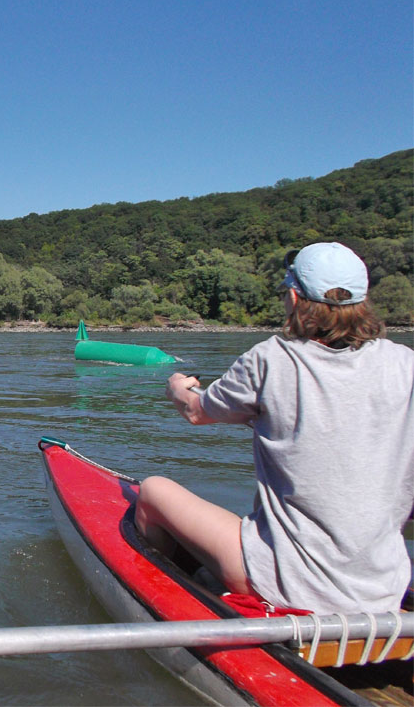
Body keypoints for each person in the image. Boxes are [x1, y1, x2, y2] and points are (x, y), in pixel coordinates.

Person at [134, 241, 414, 614]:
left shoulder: (272, 359)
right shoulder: (405, 364)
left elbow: (198, 411)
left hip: (289, 584)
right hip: (384, 588)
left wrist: (178, 387)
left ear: (295, 298)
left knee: (153, 491)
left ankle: (173, 603)